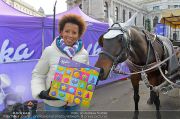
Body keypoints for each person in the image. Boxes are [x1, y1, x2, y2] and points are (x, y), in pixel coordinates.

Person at [31, 14, 89, 115]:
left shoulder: (84, 54)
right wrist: (41, 93)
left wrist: (91, 81)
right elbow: (38, 74)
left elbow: (85, 77)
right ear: (61, 32)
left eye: (74, 32)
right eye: (67, 31)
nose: (70, 35)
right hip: (53, 105)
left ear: (79, 35)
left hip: (74, 104)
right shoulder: (49, 51)